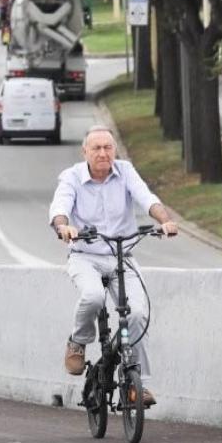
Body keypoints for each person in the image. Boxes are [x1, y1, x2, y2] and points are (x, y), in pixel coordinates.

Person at [48, 126, 178, 407]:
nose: (103, 153)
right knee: (93, 296)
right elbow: (60, 206)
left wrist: (164, 221)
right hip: (85, 255)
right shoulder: (72, 177)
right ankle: (78, 341)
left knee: (138, 313)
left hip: (122, 255)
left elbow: (147, 198)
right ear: (85, 152)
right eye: (96, 148)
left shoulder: (126, 171)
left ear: (114, 150)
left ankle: (136, 383)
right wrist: (64, 227)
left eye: (108, 147)